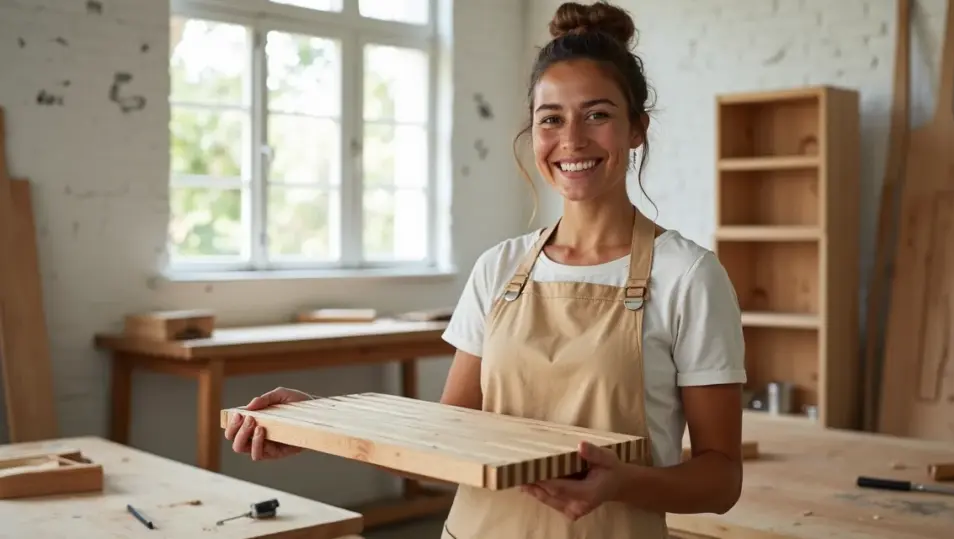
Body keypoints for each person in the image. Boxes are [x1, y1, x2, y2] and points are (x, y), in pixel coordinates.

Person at [224, 1, 746, 537]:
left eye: (598, 114)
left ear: (636, 129)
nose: (572, 139)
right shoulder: (499, 268)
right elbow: (442, 446)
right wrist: (314, 423)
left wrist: (622, 482)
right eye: (551, 119)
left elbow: (722, 479)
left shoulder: (688, 276)